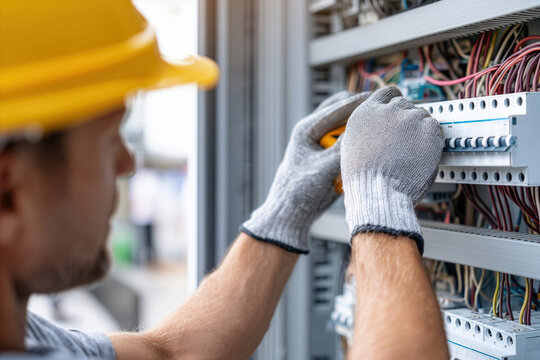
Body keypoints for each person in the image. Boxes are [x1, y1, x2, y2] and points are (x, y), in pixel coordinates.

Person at [0, 0, 449, 359]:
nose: (127, 163)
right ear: (7, 193)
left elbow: (171, 354)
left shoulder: (31, 337)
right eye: (108, 139)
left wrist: (285, 210)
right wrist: (379, 205)